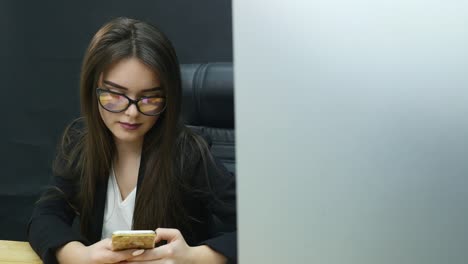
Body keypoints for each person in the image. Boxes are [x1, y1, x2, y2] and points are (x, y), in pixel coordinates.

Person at [27, 17, 236, 264]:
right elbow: (45, 215)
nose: (132, 112)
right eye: (115, 94)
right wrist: (79, 255)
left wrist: (194, 257)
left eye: (149, 99)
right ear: (93, 88)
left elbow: (260, 227)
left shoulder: (188, 153)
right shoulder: (80, 143)